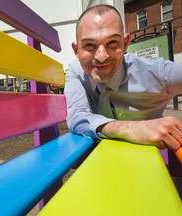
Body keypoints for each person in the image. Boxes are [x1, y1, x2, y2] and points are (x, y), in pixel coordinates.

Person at [65, 4, 182, 152]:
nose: (101, 57)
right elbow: (77, 116)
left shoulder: (158, 73)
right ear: (76, 50)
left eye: (112, 43)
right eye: (89, 45)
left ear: (125, 43)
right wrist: (133, 128)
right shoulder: (76, 72)